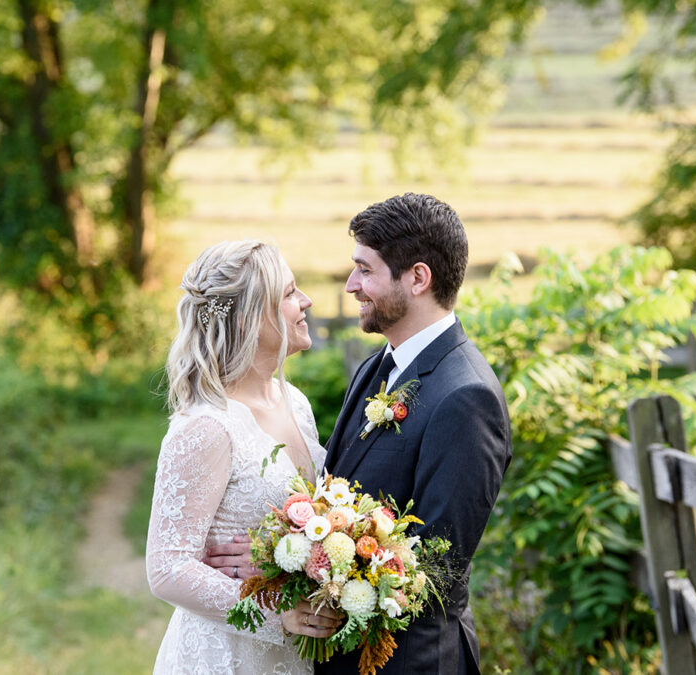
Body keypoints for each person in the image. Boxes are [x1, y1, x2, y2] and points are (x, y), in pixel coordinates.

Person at [206, 194, 512, 674]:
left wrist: (291, 566)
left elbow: (431, 574)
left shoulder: (466, 399)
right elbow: (337, 497)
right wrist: (277, 553)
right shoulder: (376, 368)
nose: (351, 286)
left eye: (365, 270)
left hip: (412, 662)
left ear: (417, 278)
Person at [146, 240, 341, 674]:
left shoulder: (296, 402)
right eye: (289, 293)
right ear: (252, 318)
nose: (305, 301)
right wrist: (276, 612)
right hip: (228, 655)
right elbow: (166, 567)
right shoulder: (207, 427)